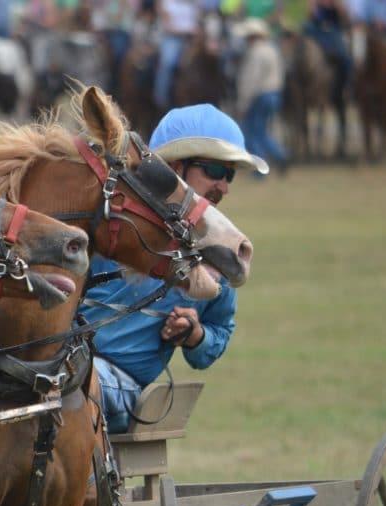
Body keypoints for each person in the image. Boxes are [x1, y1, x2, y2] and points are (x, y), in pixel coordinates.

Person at [81, 104, 267, 435]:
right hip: (64, 364)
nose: (223, 186)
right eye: (214, 170)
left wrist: (196, 335)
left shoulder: (218, 258)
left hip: (119, 387)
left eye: (230, 176)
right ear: (174, 169)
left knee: (72, 383)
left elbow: (219, 331)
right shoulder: (114, 225)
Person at [235, 18, 286, 174]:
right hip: (274, 94)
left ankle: (261, 169)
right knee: (261, 132)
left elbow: (251, 80)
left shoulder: (254, 53)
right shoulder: (272, 50)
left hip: (260, 96)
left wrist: (243, 104)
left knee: (253, 133)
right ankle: (281, 155)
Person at [154, 0, 200, 110]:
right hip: (172, 38)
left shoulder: (192, 3)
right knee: (168, 63)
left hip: (190, 40)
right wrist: (185, 31)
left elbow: (197, 22)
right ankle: (161, 97)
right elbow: (167, 26)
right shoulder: (166, 3)